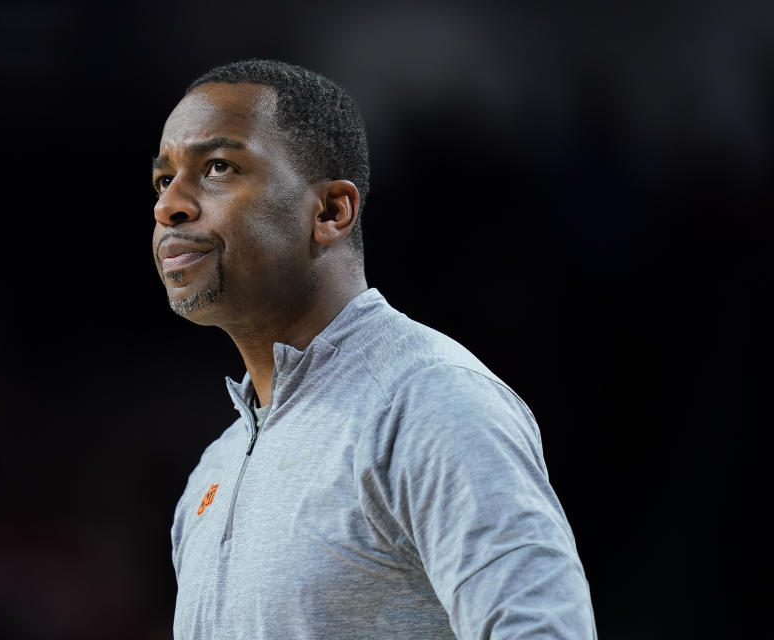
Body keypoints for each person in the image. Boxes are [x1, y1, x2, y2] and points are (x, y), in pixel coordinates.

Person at [153, 59, 596, 639]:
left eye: (217, 167)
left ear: (332, 211)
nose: (170, 206)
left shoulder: (429, 404)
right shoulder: (213, 471)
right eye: (163, 180)